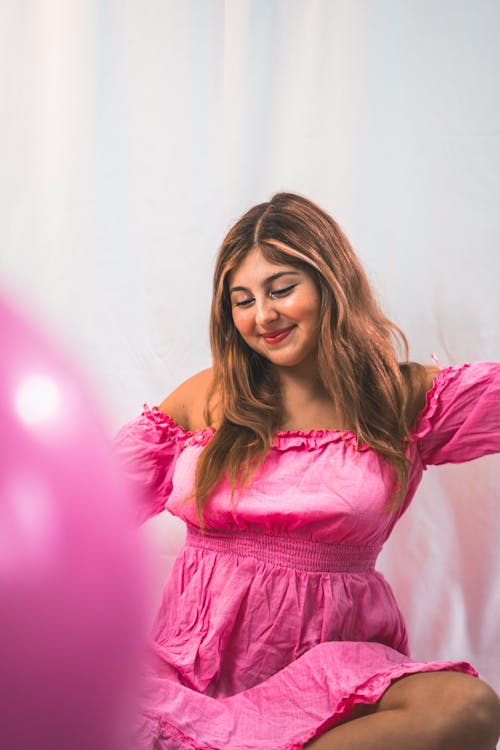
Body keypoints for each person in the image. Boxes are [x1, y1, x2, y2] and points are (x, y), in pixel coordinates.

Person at [114, 192, 500, 750]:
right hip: (195, 663)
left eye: (281, 289)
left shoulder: (401, 398)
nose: (261, 316)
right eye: (241, 300)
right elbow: (85, 507)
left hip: (336, 674)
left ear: (329, 282)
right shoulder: (208, 397)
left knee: (470, 707)